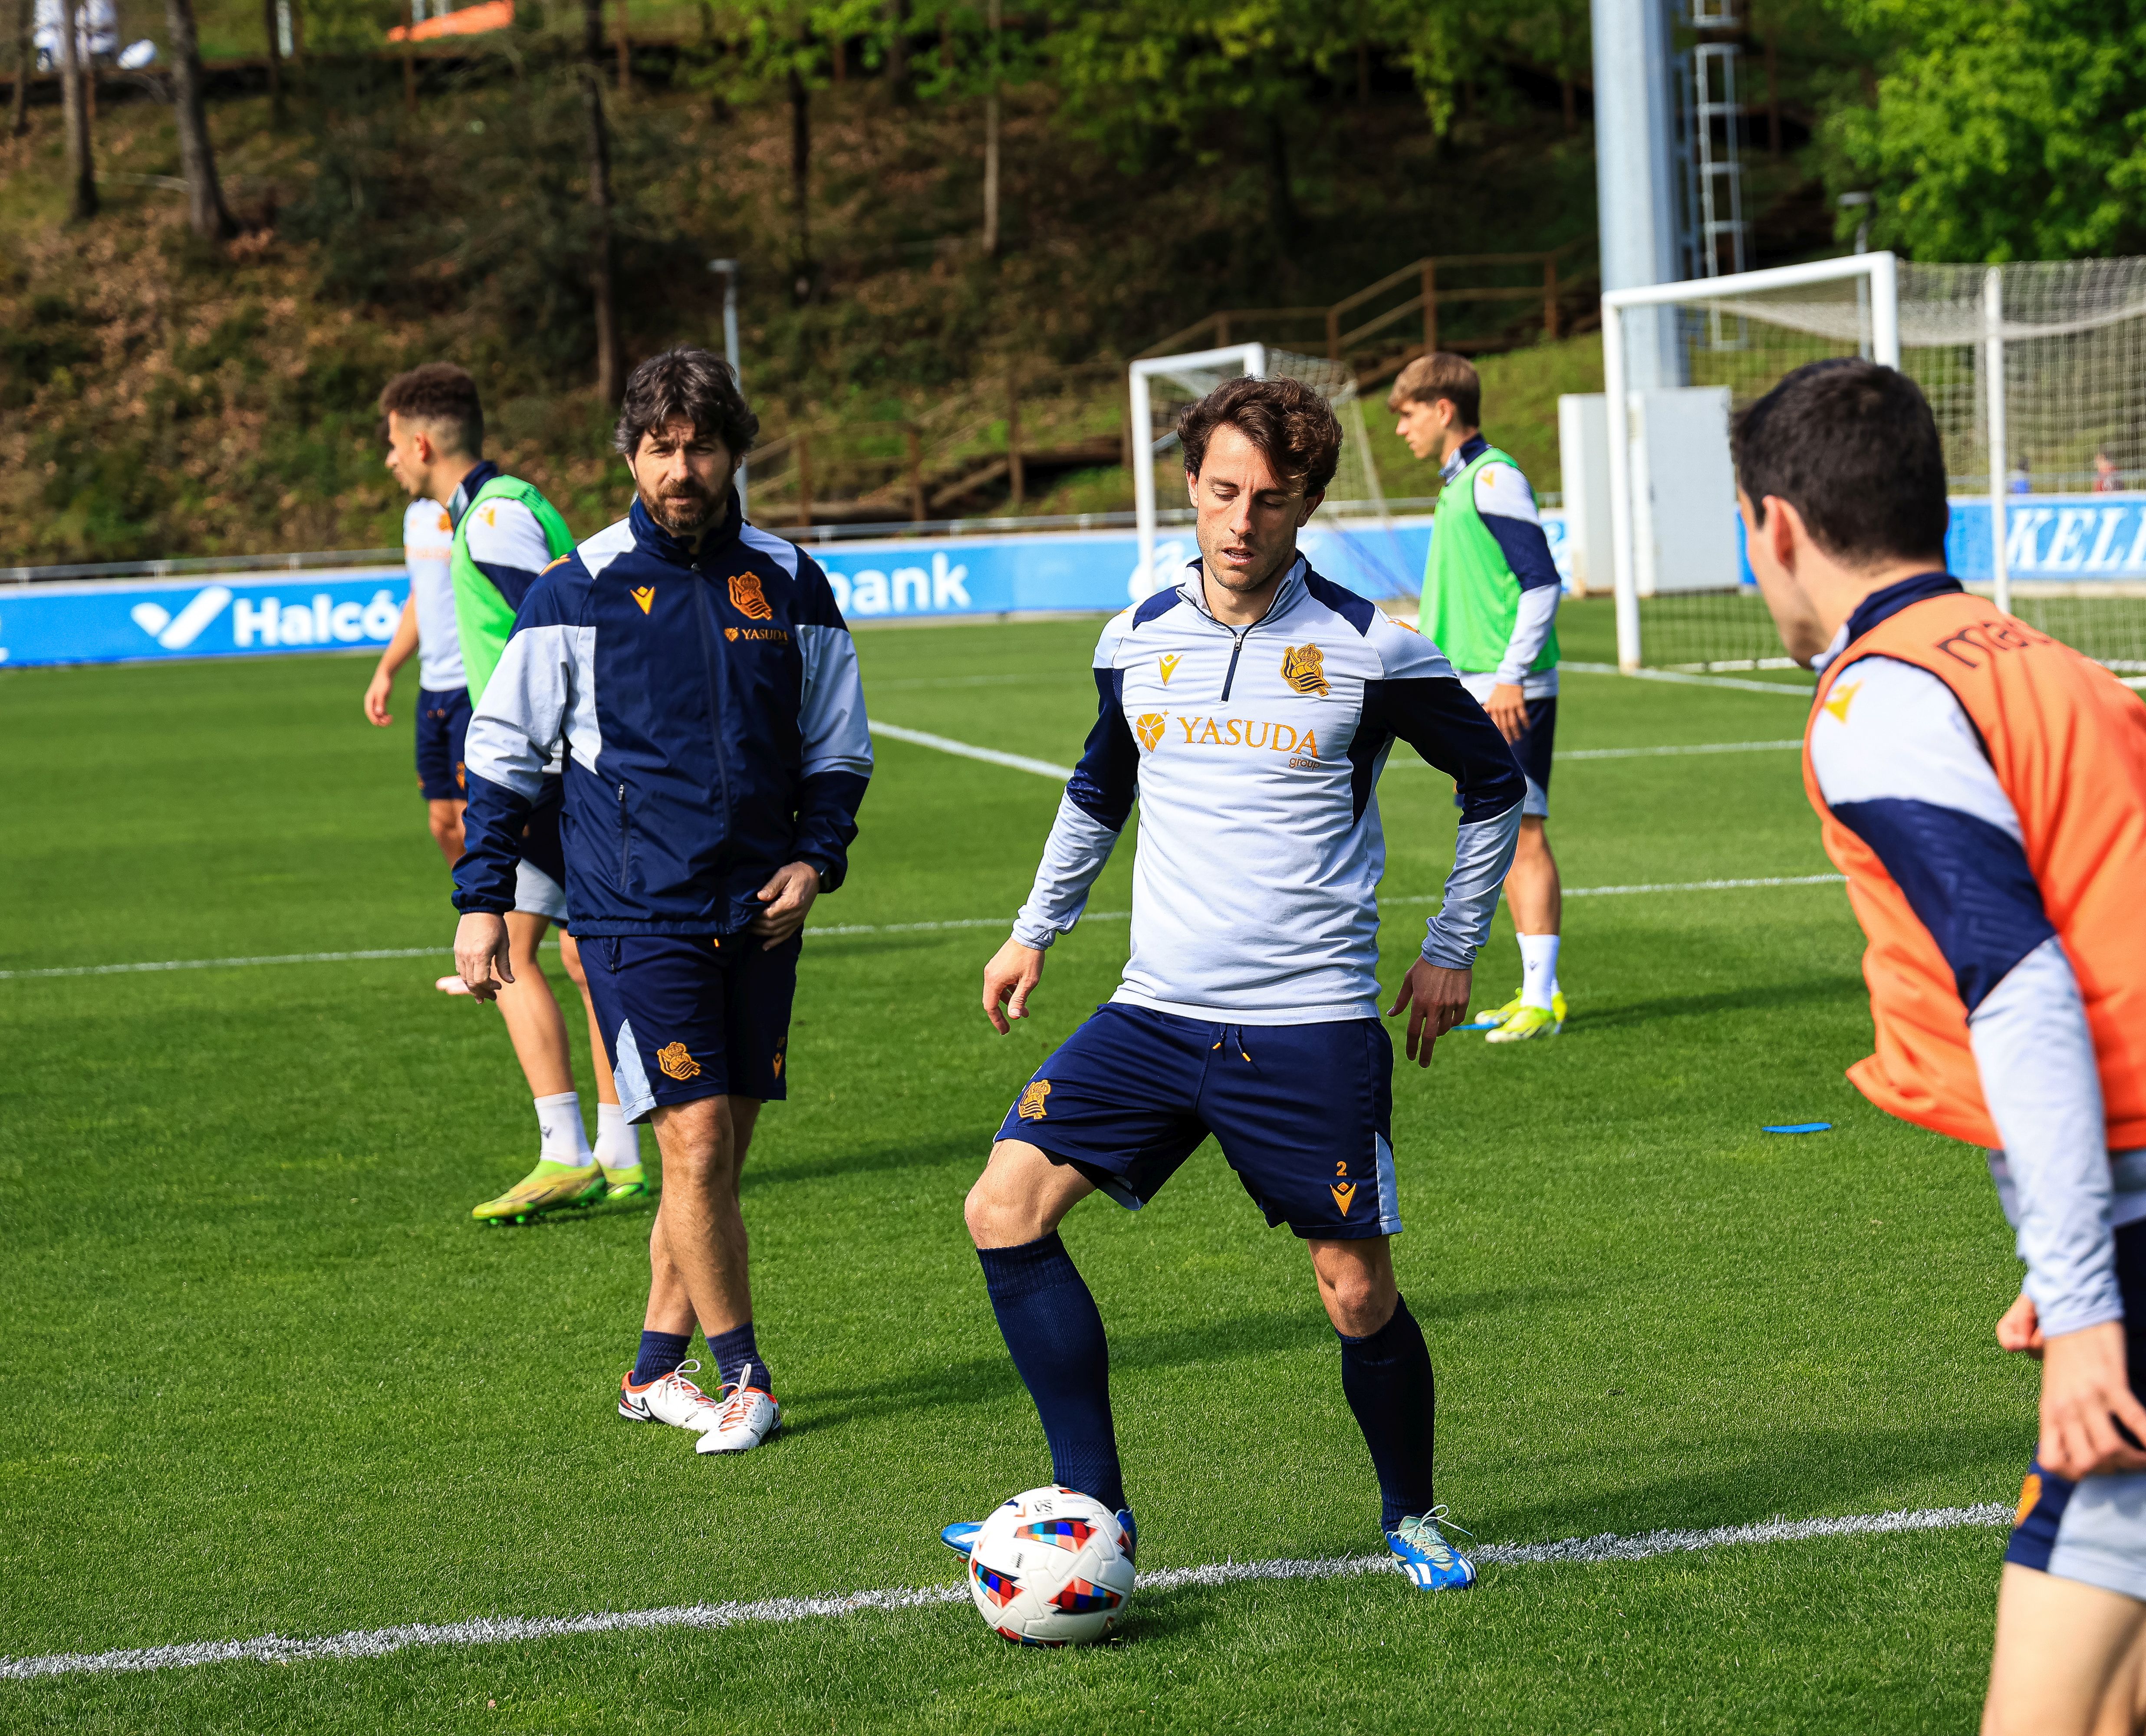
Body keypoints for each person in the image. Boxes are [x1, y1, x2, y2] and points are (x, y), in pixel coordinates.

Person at [1736, 359, 2146, 1736]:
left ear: (1776, 525)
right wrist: (2071, 1251)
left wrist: (2088, 1300)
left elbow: (2019, 984)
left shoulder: (1876, 694)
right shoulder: (2060, 671)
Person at [945, 376, 1523, 1587]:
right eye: (1220, 491)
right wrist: (1033, 931)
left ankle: (1410, 1510)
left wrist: (1455, 946)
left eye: (1269, 499)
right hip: (1153, 1013)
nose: (1241, 520)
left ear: (1306, 502)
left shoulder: (1374, 649)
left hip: (1306, 1026)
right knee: (1002, 1212)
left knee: (1355, 1289)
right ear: (1192, 488)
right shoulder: (1136, 636)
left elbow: (1492, 790)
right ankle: (1094, 1512)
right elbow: (1102, 788)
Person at [452, 347, 872, 1454]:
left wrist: (815, 862)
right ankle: (747, 1377)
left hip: (763, 911)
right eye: (659, 449)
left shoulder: (789, 579)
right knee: (689, 1148)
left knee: (717, 1158)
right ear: (630, 455)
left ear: (734, 450)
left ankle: (651, 1371)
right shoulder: (577, 585)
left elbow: (838, 750)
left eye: (700, 447)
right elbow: (502, 751)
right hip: (636, 912)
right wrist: (483, 897)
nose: (680, 468)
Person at [377, 364, 647, 1217]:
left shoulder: (492, 520)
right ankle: (621, 1151)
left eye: (391, 444)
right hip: (560, 766)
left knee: (508, 954)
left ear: (422, 442)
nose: (389, 462)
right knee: (578, 954)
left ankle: (566, 1150)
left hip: (545, 771)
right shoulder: (502, 506)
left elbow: (562, 626)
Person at [1388, 352, 1567, 1043]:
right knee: (1502, 835)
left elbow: (1541, 582)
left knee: (1523, 833)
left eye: (1407, 414)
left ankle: (1543, 997)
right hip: (1473, 686)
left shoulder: (1494, 478)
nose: (1401, 429)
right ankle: (1534, 991)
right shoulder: (1457, 483)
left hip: (1505, 689)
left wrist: (1511, 675)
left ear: (1442, 409)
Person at [364, 493, 471, 873]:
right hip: (432, 690)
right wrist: (387, 670)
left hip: (472, 688)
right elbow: (420, 600)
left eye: (395, 448)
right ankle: (471, 910)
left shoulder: (478, 507)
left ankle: (503, 917)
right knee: (442, 824)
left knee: (470, 821)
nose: (392, 462)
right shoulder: (415, 514)